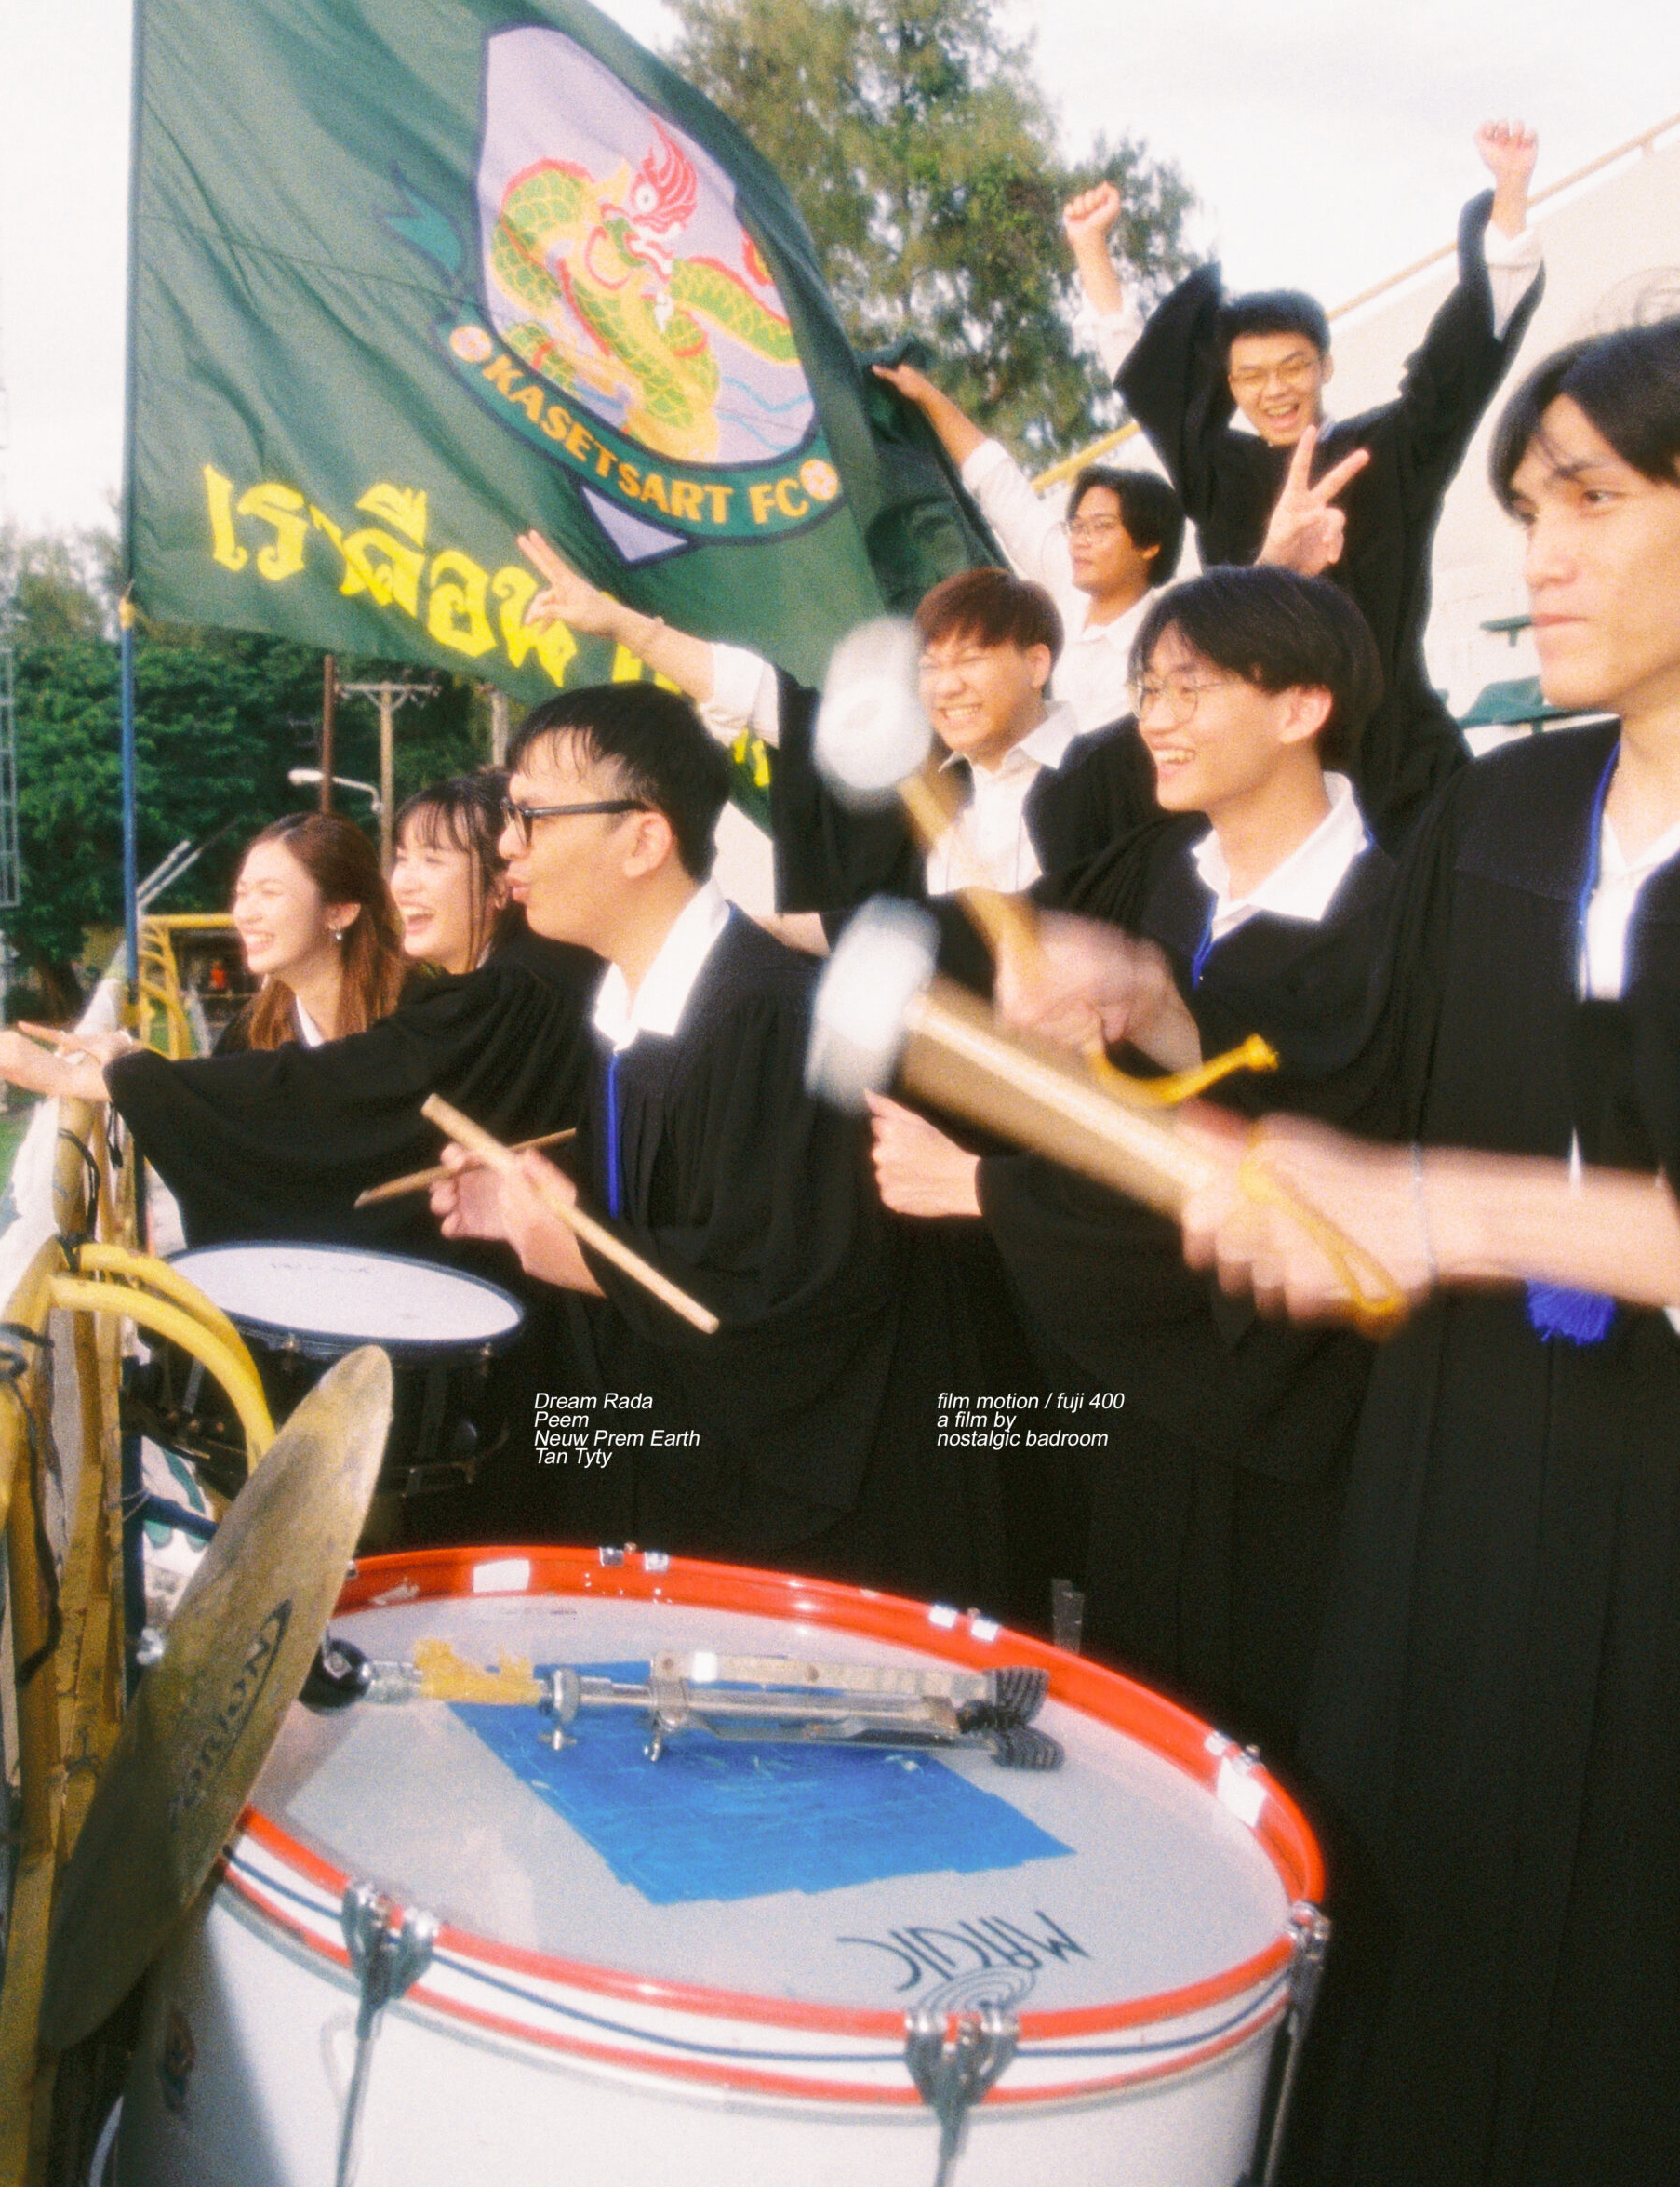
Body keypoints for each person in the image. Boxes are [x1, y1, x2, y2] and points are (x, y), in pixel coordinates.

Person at [1004, 311, 1680, 2184]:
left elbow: (1464, 1183)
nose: (1538, 554)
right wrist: (1157, 1016)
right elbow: (1366, 1067)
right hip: (1454, 1513)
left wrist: (1444, 1208)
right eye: (1525, 508)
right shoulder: (1504, 811)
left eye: (1590, 500)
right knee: (1414, 1990)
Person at [868, 567, 1393, 1749]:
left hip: (1296, 1434)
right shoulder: (1149, 876)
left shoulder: (1394, 919)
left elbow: (1298, 1179)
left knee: (1277, 1747)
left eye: (1189, 688)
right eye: (1147, 687)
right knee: (1144, 1731)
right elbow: (995, 951)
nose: (1154, 716)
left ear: (1301, 705)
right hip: (1146, 1411)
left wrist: (986, 1188)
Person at [429, 681, 1025, 1604]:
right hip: (700, 1497)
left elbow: (793, 1298)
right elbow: (693, 1204)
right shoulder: (634, 1012)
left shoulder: (771, 1018)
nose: (507, 844)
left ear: (643, 839)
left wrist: (587, 1254)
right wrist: (530, 1211)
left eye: (532, 816)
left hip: (835, 1548)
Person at [1073, 127, 1546, 845]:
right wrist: (1090, 248)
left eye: (1292, 367)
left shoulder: (1389, 452)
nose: (1274, 391)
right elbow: (1147, 374)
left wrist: (1510, 194)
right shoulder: (1217, 472)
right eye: (1250, 376)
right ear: (1231, 387)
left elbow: (1464, 362)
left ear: (1324, 365)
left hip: (1402, 764)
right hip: (1274, 766)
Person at [0, 774, 597, 1256]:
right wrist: (135, 1071)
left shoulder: (491, 1001)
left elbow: (325, 1094)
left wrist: (100, 1079)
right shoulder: (258, 1033)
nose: (403, 882)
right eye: (402, 859)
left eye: (432, 861)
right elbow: (270, 1115)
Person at [514, 529, 1158, 921]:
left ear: (1037, 662)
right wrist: (624, 626)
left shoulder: (1128, 766)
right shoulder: (923, 794)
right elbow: (764, 697)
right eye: (929, 666)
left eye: (970, 660)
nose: (946, 686)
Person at [869, 357, 1186, 730]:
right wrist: (927, 396)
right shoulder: (1067, 580)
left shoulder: (1158, 652)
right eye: (1076, 527)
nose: (1080, 542)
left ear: (1149, 545)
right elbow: (999, 486)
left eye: (1100, 528)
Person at [219, 812, 407, 1050]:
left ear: (340, 912)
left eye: (269, 893)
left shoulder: (418, 1020)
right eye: (242, 893)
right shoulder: (249, 1034)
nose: (245, 914)